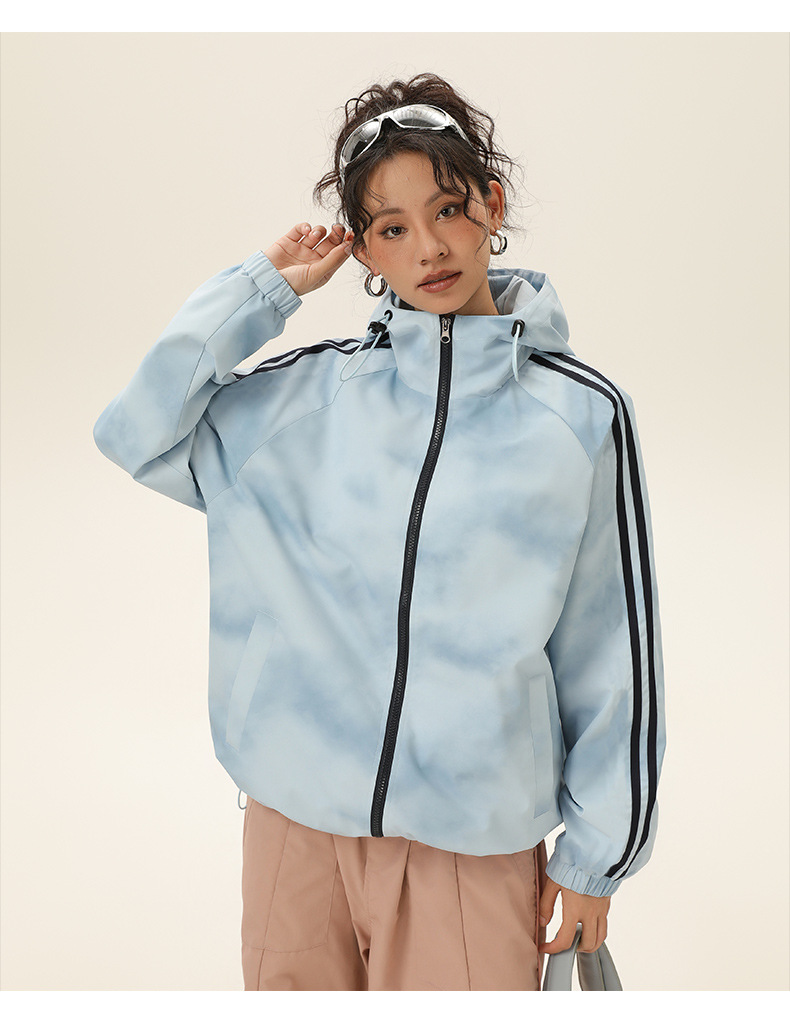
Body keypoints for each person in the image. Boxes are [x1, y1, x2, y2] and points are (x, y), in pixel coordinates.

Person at [93, 72, 666, 991]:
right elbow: (136, 431)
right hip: (292, 829)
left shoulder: (580, 416)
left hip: (468, 846)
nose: (429, 247)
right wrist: (261, 289)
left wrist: (596, 856)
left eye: (448, 209)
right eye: (391, 228)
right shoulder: (304, 400)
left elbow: (614, 652)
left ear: (492, 205)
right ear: (361, 248)